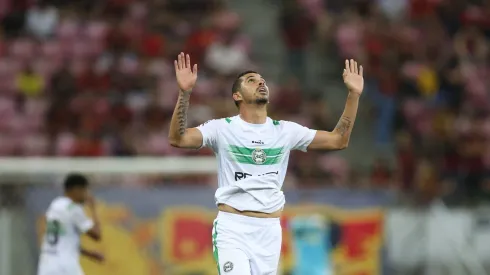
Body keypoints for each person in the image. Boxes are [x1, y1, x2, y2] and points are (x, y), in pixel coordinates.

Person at [168, 52, 364, 275]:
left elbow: (338, 140)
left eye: (262, 80)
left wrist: (353, 94)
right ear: (237, 96)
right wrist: (184, 93)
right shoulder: (221, 128)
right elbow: (178, 138)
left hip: (269, 230)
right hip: (233, 227)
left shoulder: (286, 130)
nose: (261, 82)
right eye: (251, 80)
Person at [37, 174, 103, 275]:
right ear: (76, 190)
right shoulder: (73, 209)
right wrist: (93, 208)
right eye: (85, 191)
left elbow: (62, 242)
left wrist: (88, 253)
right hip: (65, 266)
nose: (86, 195)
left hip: (46, 266)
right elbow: (97, 235)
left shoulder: (55, 205)